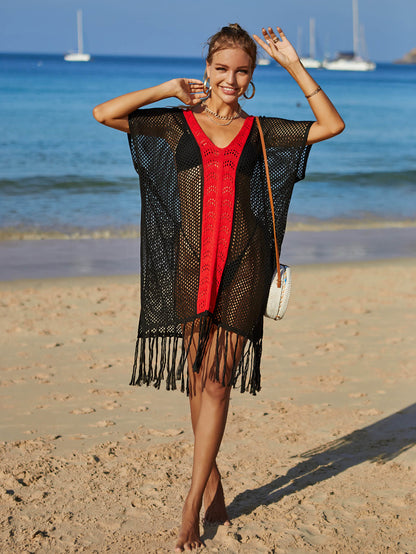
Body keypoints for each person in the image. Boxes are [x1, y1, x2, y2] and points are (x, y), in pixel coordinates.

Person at [93, 23, 344, 552]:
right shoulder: (177, 125)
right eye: (222, 68)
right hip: (190, 265)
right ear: (207, 69)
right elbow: (104, 114)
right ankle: (213, 480)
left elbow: (331, 124)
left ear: (251, 78)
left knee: (217, 384)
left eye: (242, 71)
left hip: (245, 267)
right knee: (195, 376)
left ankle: (191, 502)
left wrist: (294, 66)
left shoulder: (261, 132)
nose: (231, 79)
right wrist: (167, 89)